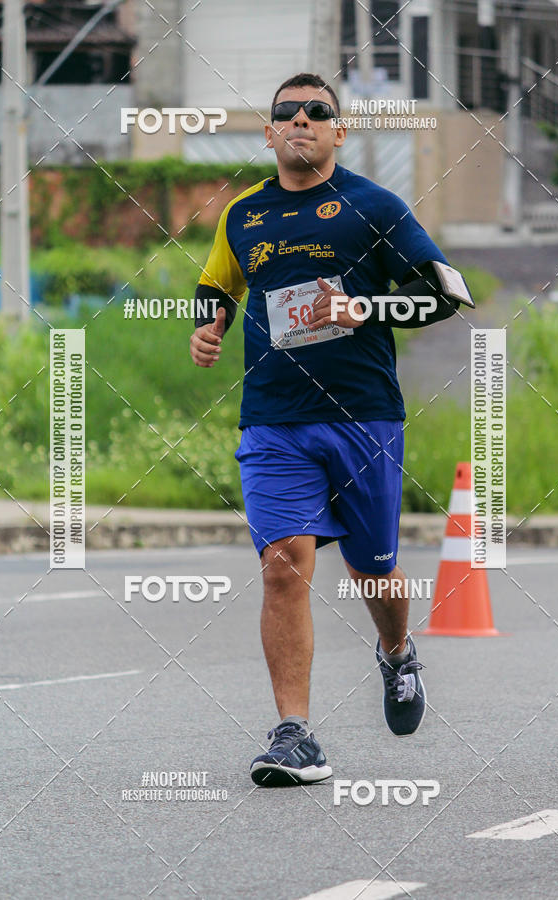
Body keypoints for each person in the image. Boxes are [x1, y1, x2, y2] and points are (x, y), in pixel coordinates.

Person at [190, 73, 474, 787]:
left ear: (339, 132)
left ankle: (398, 652)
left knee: (373, 570)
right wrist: (209, 322)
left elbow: (446, 294)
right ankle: (295, 735)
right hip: (274, 419)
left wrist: (363, 310)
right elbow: (216, 282)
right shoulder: (244, 216)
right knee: (282, 562)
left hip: (363, 417)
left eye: (318, 112)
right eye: (286, 112)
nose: (302, 121)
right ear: (270, 132)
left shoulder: (373, 205)